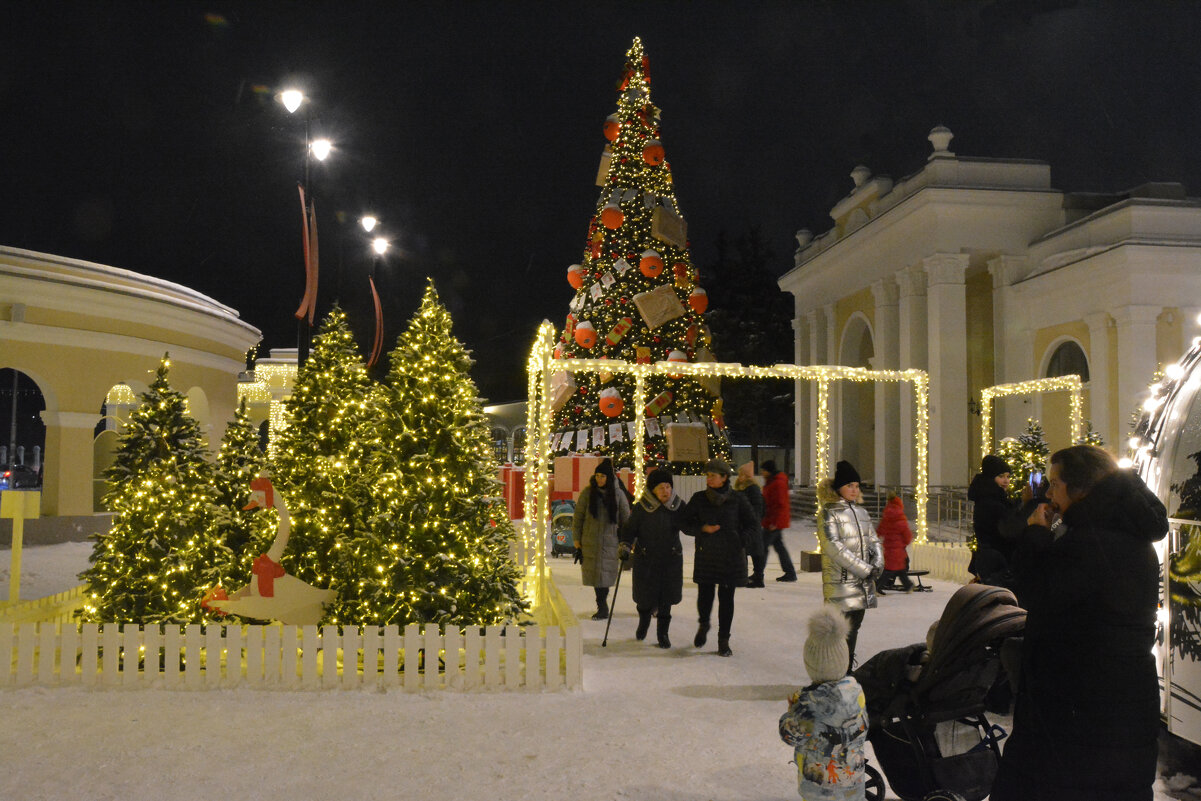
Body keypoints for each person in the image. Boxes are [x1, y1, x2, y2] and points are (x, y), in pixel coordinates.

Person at [991, 445, 1167, 801]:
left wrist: (1036, 535)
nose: (1049, 492)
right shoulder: (1128, 536)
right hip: (1119, 702)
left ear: (1082, 488)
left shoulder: (1090, 542)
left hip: (1077, 708)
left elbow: (1038, 595)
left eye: (1055, 483)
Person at [779, 605, 868, 800]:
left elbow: (790, 736)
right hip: (853, 780)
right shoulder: (856, 692)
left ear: (810, 665)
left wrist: (791, 712)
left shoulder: (807, 703)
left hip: (818, 789)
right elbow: (864, 727)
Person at [681, 458, 760, 656]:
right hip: (706, 555)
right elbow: (684, 523)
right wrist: (702, 529)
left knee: (727, 600)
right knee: (705, 596)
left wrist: (740, 540)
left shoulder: (738, 499)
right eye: (707, 475)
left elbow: (753, 524)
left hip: (730, 557)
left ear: (724, 478)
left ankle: (723, 640)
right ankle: (704, 624)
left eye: (713, 476)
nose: (709, 479)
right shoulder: (699, 499)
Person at [816, 460, 883, 672]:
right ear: (838, 489)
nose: (854, 490)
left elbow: (873, 541)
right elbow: (834, 547)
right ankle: (834, 671)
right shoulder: (829, 513)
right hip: (842, 583)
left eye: (857, 485)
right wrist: (864, 570)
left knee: (854, 628)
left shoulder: (862, 513)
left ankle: (846, 670)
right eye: (849, 486)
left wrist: (878, 562)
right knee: (839, 631)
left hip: (862, 584)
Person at [618, 467, 684, 648]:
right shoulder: (642, 508)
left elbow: (689, 525)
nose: (666, 491)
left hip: (670, 560)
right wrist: (625, 545)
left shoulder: (677, 506)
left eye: (668, 487)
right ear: (653, 490)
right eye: (661, 488)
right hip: (646, 560)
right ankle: (644, 621)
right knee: (644, 598)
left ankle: (663, 634)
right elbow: (629, 530)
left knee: (666, 600)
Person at [572, 458, 631, 620]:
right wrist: (576, 538)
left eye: (603, 476)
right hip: (590, 541)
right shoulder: (588, 492)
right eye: (597, 475)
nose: (599, 479)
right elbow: (578, 517)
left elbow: (626, 520)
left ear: (609, 478)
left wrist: (627, 541)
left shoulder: (618, 495)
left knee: (604, 576)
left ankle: (602, 605)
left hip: (610, 542)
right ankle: (601, 605)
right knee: (595, 577)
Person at [967, 454, 1019, 580]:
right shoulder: (990, 501)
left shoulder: (996, 498)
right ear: (990, 478)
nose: (1006, 481)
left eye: (1008, 476)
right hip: (995, 560)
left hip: (993, 557)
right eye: (1001, 476)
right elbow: (1006, 529)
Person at [761, 460, 798, 582]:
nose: (762, 472)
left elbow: (780, 504)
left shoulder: (777, 483)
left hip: (774, 522)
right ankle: (790, 572)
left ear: (769, 471)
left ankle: (758, 572)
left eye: (764, 470)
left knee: (763, 546)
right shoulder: (772, 481)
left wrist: (775, 523)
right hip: (772, 521)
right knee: (779, 547)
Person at [734, 461, 767, 587]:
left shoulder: (752, 489)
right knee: (750, 551)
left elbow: (758, 508)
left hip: (751, 525)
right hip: (748, 525)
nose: (739, 477)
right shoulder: (744, 488)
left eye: (741, 474)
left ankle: (758, 578)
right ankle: (752, 576)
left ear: (746, 476)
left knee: (754, 552)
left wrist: (752, 521)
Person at [875, 492, 914, 593]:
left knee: (897, 568)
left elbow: (880, 531)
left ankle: (908, 585)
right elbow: (907, 535)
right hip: (899, 548)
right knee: (892, 569)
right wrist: (905, 543)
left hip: (888, 547)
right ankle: (877, 587)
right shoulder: (901, 518)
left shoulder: (886, 517)